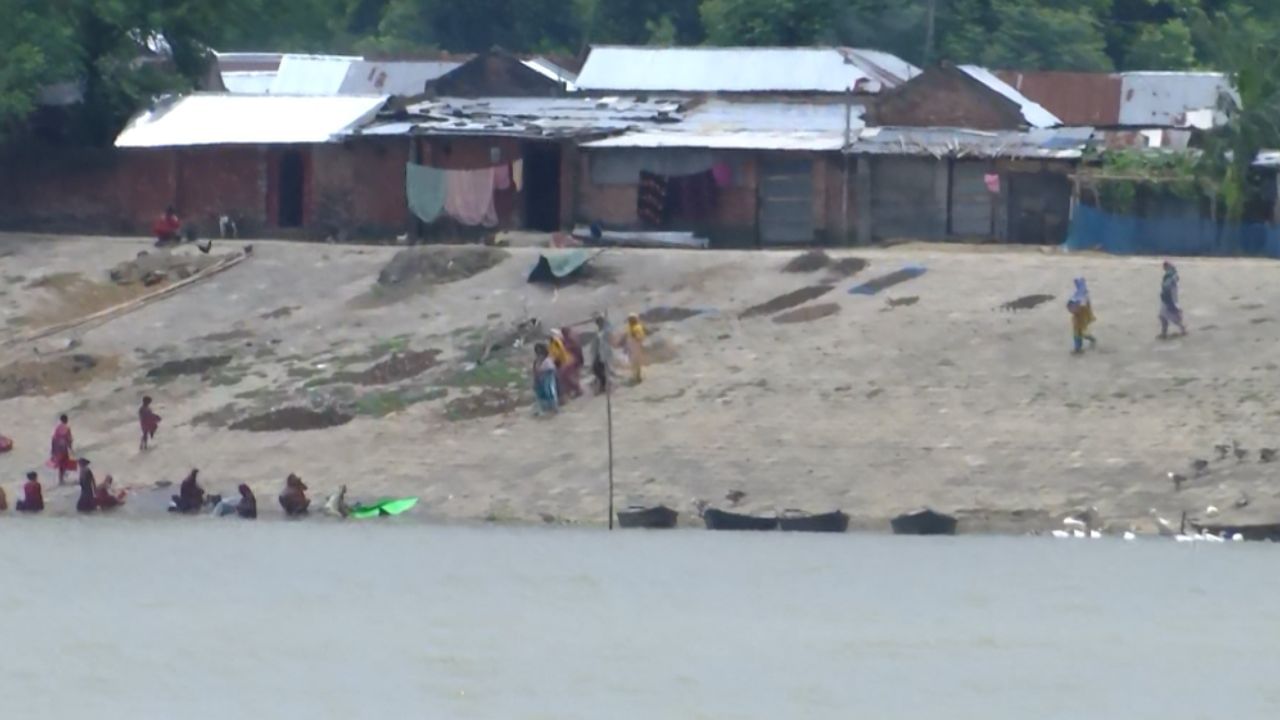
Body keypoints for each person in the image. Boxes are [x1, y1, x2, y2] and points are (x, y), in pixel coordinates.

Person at [1066, 278, 1097, 355]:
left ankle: (1082, 345)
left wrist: (1074, 308)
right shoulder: (1080, 295)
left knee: (1081, 333)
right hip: (1078, 319)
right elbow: (1071, 306)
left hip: (1082, 318)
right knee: (1078, 333)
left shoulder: (1082, 297)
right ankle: (1079, 347)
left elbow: (1077, 307)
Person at [548, 329, 581, 401]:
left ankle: (576, 390)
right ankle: (571, 391)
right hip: (564, 361)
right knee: (564, 378)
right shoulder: (555, 343)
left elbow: (559, 353)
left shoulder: (557, 342)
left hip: (566, 361)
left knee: (564, 377)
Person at [590, 314, 619, 395]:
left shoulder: (607, 330)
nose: (597, 323)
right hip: (599, 353)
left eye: (599, 322)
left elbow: (611, 340)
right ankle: (604, 384)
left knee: (604, 369)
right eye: (597, 322)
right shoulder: (599, 331)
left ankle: (606, 385)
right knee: (596, 368)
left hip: (606, 352)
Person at [1158, 261, 1188, 339]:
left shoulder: (1169, 276)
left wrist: (1165, 296)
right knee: (1164, 316)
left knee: (1168, 316)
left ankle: (1182, 329)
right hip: (1170, 299)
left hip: (1168, 299)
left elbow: (1166, 288)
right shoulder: (1173, 275)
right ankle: (1165, 332)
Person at [47, 414, 75, 485]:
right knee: (65, 463)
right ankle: (62, 479)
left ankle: (61, 479)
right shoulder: (67, 428)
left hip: (57, 448)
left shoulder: (57, 428)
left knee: (61, 464)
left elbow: (53, 439)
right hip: (63, 448)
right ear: (66, 420)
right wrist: (71, 448)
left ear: (61, 420)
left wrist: (52, 450)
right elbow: (69, 439)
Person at [532, 343, 558, 415]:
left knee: (549, 391)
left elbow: (551, 371)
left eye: (541, 352)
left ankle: (553, 408)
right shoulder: (536, 361)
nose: (539, 354)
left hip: (547, 379)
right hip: (540, 380)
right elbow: (535, 371)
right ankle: (545, 409)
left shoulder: (548, 361)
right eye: (538, 352)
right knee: (540, 394)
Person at [624, 313, 648, 383]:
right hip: (632, 347)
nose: (629, 321)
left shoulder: (636, 327)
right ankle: (636, 376)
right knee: (633, 362)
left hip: (636, 348)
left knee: (636, 362)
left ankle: (638, 377)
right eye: (629, 320)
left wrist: (635, 336)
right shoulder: (631, 327)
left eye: (631, 319)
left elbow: (639, 337)